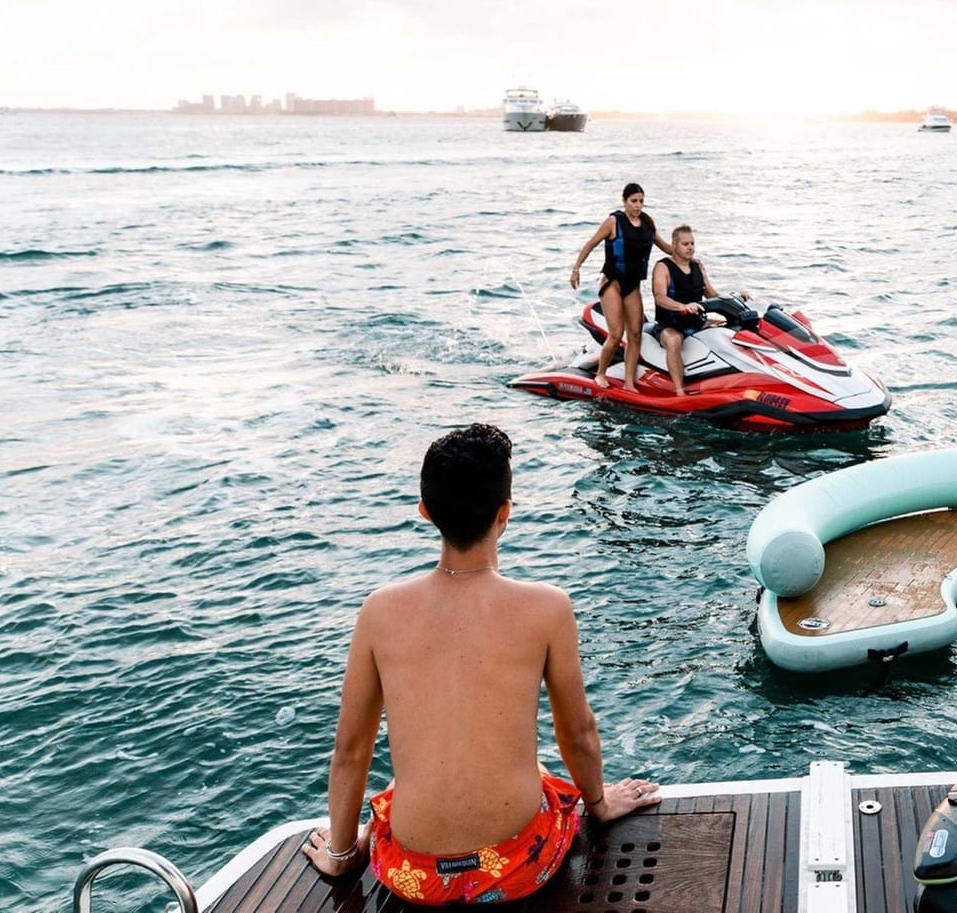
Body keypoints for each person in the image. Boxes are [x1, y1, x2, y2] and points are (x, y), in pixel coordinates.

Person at [301, 423, 660, 904]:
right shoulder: (547, 607)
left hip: (413, 876)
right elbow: (577, 733)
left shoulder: (379, 611)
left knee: (398, 788)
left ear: (426, 511)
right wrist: (598, 803)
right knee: (541, 775)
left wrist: (342, 855)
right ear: (504, 512)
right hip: (518, 868)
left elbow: (350, 752)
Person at [568, 183, 674, 390]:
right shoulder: (614, 222)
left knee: (635, 335)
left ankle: (628, 382)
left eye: (641, 201)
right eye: (633, 201)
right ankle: (601, 374)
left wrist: (686, 251)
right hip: (612, 284)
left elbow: (665, 247)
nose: (638, 205)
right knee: (616, 334)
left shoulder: (647, 223)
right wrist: (576, 269)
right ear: (624, 201)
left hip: (632, 286)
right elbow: (591, 244)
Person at [648, 225, 722, 395]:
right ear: (674, 245)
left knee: (731, 327)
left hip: (697, 323)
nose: (690, 248)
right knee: (673, 341)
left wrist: (736, 298)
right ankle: (679, 390)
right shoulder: (663, 267)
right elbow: (660, 297)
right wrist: (682, 306)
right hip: (670, 325)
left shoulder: (697, 266)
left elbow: (711, 294)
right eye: (685, 244)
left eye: (692, 244)